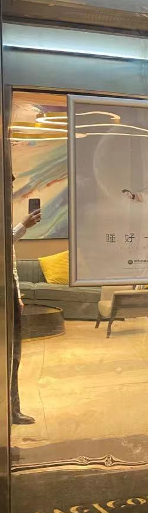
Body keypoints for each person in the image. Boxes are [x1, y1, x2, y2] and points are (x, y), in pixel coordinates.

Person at [11, 179, 41, 425]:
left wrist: (18, 293)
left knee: (14, 354)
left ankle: (12, 410)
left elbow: (10, 259)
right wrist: (23, 226)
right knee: (10, 352)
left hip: (9, 292)